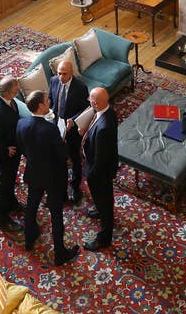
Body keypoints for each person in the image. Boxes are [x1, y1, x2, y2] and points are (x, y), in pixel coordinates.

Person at [16, 90, 79, 266]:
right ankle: (60, 252)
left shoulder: (21, 123)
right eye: (46, 100)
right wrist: (64, 141)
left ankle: (29, 240)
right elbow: (62, 154)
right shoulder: (50, 129)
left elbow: (22, 147)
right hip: (53, 176)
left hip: (34, 172)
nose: (49, 101)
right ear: (41, 106)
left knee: (31, 206)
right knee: (56, 214)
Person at [80, 86, 118, 251]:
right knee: (101, 201)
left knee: (105, 202)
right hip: (100, 165)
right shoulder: (108, 112)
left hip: (99, 173)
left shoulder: (103, 128)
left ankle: (104, 238)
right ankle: (99, 209)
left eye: (91, 99)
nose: (89, 100)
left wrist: (91, 175)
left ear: (96, 103)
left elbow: (100, 160)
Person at [49, 58, 89, 204]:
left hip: (72, 129)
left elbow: (85, 108)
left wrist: (73, 119)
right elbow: (51, 100)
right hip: (57, 126)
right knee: (58, 158)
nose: (61, 77)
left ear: (72, 72)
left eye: (64, 74)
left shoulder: (80, 87)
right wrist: (50, 114)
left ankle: (75, 187)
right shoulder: (53, 81)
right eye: (59, 73)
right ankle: (61, 186)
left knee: (75, 158)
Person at [0, 76, 23, 233]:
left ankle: (12, 203)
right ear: (8, 93)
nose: (18, 91)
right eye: (16, 90)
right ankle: (3, 219)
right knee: (4, 186)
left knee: (10, 182)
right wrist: (5, 149)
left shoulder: (5, 99)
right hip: (6, 156)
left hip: (13, 148)